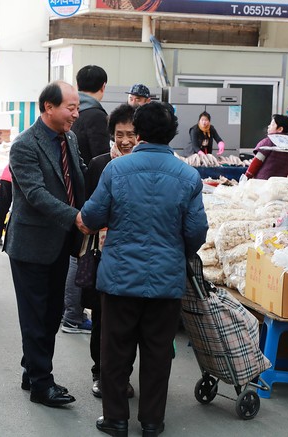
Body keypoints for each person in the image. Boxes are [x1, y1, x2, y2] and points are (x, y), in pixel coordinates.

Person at [79, 102, 208, 437]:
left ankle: (116, 420)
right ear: (173, 132)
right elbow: (196, 232)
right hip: (165, 281)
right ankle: (152, 422)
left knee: (115, 352)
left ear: (138, 131)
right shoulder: (188, 176)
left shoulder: (116, 170)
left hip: (120, 279)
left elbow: (92, 217)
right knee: (158, 353)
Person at [4, 80, 89, 408]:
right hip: (31, 244)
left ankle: (31, 368)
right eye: (71, 107)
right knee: (35, 314)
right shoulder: (25, 145)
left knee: (51, 312)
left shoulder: (69, 138)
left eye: (77, 107)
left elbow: (79, 176)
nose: (76, 114)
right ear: (48, 108)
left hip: (62, 241)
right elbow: (36, 194)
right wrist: (76, 217)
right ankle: (42, 383)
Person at [83, 103, 137, 399]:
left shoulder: (144, 166)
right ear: (112, 134)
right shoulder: (99, 164)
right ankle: (99, 372)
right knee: (103, 318)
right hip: (103, 255)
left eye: (131, 134)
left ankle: (123, 374)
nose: (125, 140)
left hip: (133, 256)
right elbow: (88, 209)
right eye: (120, 134)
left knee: (130, 322)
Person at [61, 64, 109, 335]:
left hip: (73, 190)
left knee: (75, 252)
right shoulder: (96, 116)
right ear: (103, 87)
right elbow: (103, 158)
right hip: (90, 192)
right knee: (81, 254)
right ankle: (73, 315)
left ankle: (68, 311)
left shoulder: (71, 112)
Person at [245, 113, 288, 179]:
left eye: (272, 124)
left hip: (262, 182)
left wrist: (247, 176)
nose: (268, 126)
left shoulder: (268, 141)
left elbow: (257, 161)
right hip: (278, 184)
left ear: (280, 129)